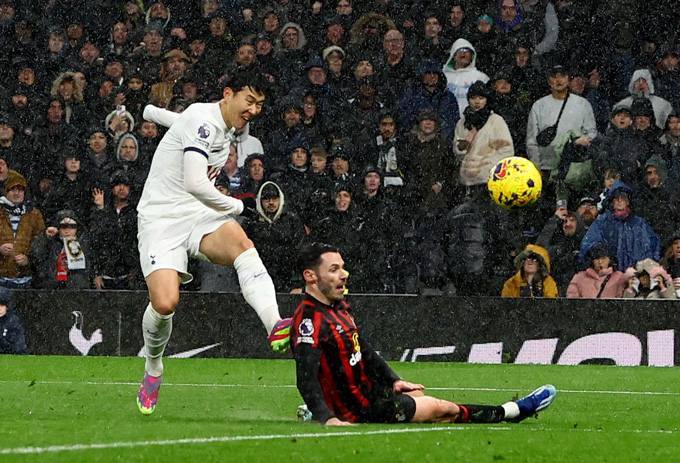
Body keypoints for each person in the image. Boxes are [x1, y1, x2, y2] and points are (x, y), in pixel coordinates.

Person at [135, 67, 291, 416]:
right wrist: (240, 205)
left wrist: (148, 111)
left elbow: (179, 120)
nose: (253, 110)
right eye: (248, 100)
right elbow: (194, 182)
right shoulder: (202, 121)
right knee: (165, 303)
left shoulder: (212, 123)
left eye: (260, 104)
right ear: (228, 94)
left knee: (240, 243)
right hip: (161, 218)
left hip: (198, 214)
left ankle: (275, 324)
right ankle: (154, 367)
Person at [291, 242, 556, 425]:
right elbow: (305, 378)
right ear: (310, 276)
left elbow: (365, 351)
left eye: (343, 267)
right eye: (334, 270)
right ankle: (512, 412)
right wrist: (329, 418)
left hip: (372, 393)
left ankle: (313, 411)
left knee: (424, 398)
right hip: (361, 408)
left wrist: (393, 380)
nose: (344, 275)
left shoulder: (338, 307)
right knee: (443, 410)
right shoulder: (309, 321)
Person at [580, 180, 661, 270]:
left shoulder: (640, 224)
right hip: (609, 275)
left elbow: (652, 247)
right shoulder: (602, 222)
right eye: (616, 197)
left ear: (628, 201)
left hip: (636, 275)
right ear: (611, 201)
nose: (619, 200)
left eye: (623, 197)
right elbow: (589, 244)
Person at [28, 210, 93, 290]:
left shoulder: (84, 243)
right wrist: (45, 237)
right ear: (58, 228)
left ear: (77, 228)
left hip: (76, 289)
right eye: (64, 226)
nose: (67, 230)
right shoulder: (51, 242)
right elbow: (35, 254)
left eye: (72, 226)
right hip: (51, 287)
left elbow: (90, 266)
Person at [566, 243, 632, 299]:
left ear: (610, 259)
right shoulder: (580, 277)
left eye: (603, 258)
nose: (600, 262)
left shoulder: (619, 277)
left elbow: (631, 290)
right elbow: (572, 301)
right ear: (592, 261)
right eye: (596, 258)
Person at [0, 287, 28, 355]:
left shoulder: (13, 321)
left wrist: (2, 341)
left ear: (7, 306)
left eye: (2, 305)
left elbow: (19, 347)